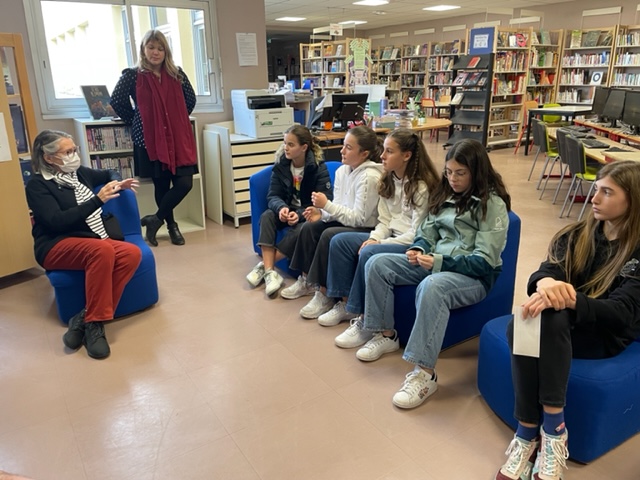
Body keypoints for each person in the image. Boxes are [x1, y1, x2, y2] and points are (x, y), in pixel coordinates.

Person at [495, 160, 640, 480]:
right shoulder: (576, 234)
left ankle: (535, 432)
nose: (594, 198)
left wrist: (571, 300)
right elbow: (546, 271)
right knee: (527, 320)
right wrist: (546, 283)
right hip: (566, 326)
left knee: (541, 319)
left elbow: (623, 314)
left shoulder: (636, 251)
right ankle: (544, 431)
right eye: (595, 189)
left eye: (607, 192)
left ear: (632, 199)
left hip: (606, 333)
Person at [344, 138, 510, 410]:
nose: (453, 179)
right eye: (449, 172)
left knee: (433, 286)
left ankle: (424, 374)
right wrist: (419, 248)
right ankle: (386, 334)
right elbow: (427, 231)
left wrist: (438, 261)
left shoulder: (492, 205)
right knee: (377, 264)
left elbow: (483, 262)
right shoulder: (445, 194)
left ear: (477, 171)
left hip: (473, 278)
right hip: (434, 263)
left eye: (460, 173)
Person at [25, 130, 142, 359]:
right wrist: (97, 200)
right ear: (49, 158)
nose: (74, 155)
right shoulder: (37, 186)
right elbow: (56, 222)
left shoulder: (79, 174)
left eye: (74, 150)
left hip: (88, 240)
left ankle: (84, 319)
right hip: (54, 244)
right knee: (102, 249)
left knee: (131, 254)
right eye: (67, 152)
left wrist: (118, 182)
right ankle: (96, 327)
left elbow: (108, 172)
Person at [314, 128, 439, 330]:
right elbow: (384, 221)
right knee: (339, 241)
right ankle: (344, 303)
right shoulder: (388, 180)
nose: (382, 156)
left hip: (410, 244)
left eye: (389, 151)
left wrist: (379, 242)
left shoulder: (421, 187)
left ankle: (359, 312)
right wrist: (375, 237)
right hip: (389, 236)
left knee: (369, 251)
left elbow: (416, 234)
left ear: (406, 155)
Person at [280, 126, 383, 318]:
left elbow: (359, 218)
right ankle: (307, 281)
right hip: (347, 221)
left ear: (364, 154)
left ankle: (326, 294)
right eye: (343, 145)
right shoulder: (343, 171)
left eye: (349, 148)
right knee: (310, 227)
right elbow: (339, 206)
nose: (342, 151)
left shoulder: (370, 177)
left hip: (366, 227)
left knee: (329, 235)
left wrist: (326, 205)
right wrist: (322, 213)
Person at [111, 29, 197, 247]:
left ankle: (155, 219)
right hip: (151, 140)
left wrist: (174, 120)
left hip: (178, 139)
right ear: (143, 50)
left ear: (166, 52)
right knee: (162, 184)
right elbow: (117, 100)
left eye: (160, 48)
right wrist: (138, 119)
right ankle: (172, 226)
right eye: (151, 47)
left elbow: (190, 100)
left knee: (184, 183)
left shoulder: (177, 74)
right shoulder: (132, 75)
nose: (155, 52)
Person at [246, 125, 332, 296]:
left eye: (291, 144)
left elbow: (324, 200)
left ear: (304, 147)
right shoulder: (281, 165)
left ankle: (265, 267)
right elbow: (273, 195)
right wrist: (282, 208)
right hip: (286, 209)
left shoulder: (318, 168)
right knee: (267, 216)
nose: (286, 148)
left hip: (306, 212)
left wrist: (299, 214)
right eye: (285, 143)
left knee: (302, 229)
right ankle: (270, 272)